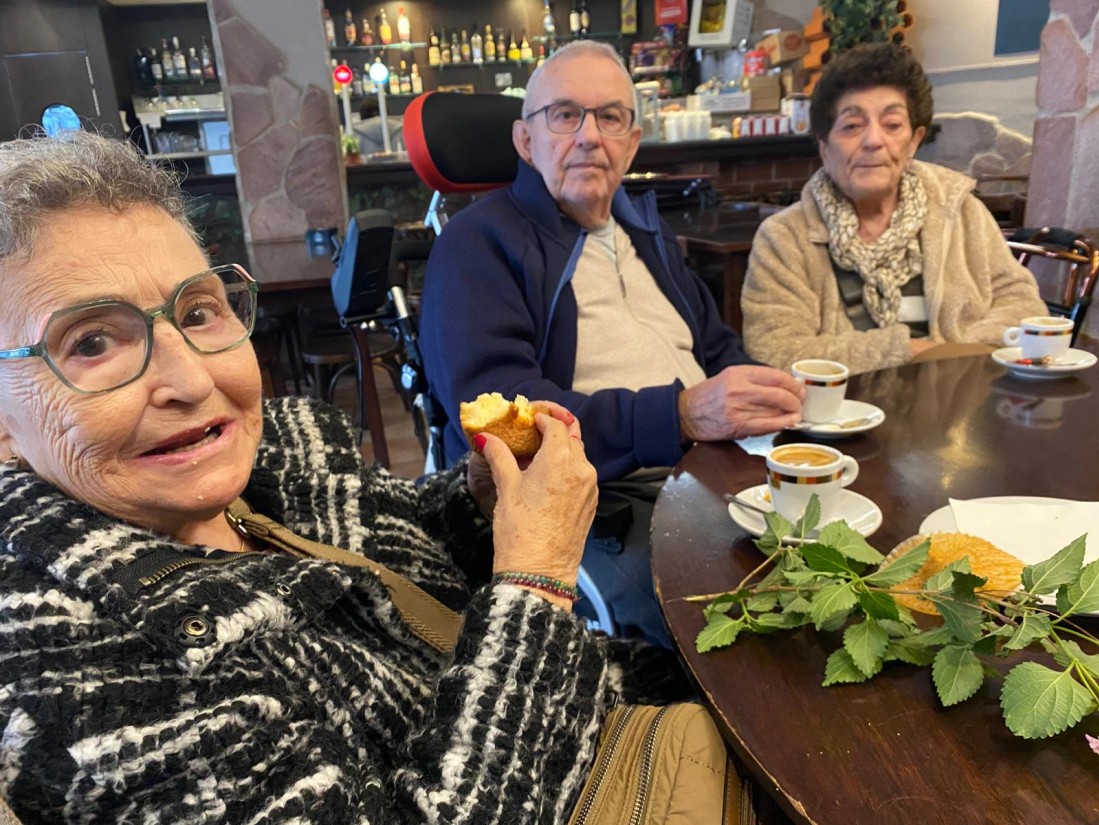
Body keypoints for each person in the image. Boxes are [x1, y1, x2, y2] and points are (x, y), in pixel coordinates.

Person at [0, 132, 687, 822]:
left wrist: (476, 501)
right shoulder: (61, 660)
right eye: (92, 342)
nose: (193, 379)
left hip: (620, 700)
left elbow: (390, 548)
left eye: (198, 311)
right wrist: (536, 580)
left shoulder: (279, 448)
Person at [419, 40, 804, 645]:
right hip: (595, 499)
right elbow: (506, 419)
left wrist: (768, 398)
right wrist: (678, 415)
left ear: (633, 141)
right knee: (738, 624)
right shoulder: (476, 245)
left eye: (610, 117)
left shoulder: (647, 231)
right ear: (526, 140)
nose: (589, 136)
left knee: (840, 558)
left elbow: (715, 346)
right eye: (565, 115)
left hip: (711, 466)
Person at [741, 42, 1046, 374]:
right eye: (852, 126)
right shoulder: (784, 238)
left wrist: (958, 360)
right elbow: (776, 351)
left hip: (963, 400)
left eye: (892, 125)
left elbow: (1021, 304)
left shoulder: (960, 212)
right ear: (824, 146)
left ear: (914, 141)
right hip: (843, 406)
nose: (874, 140)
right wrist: (911, 352)